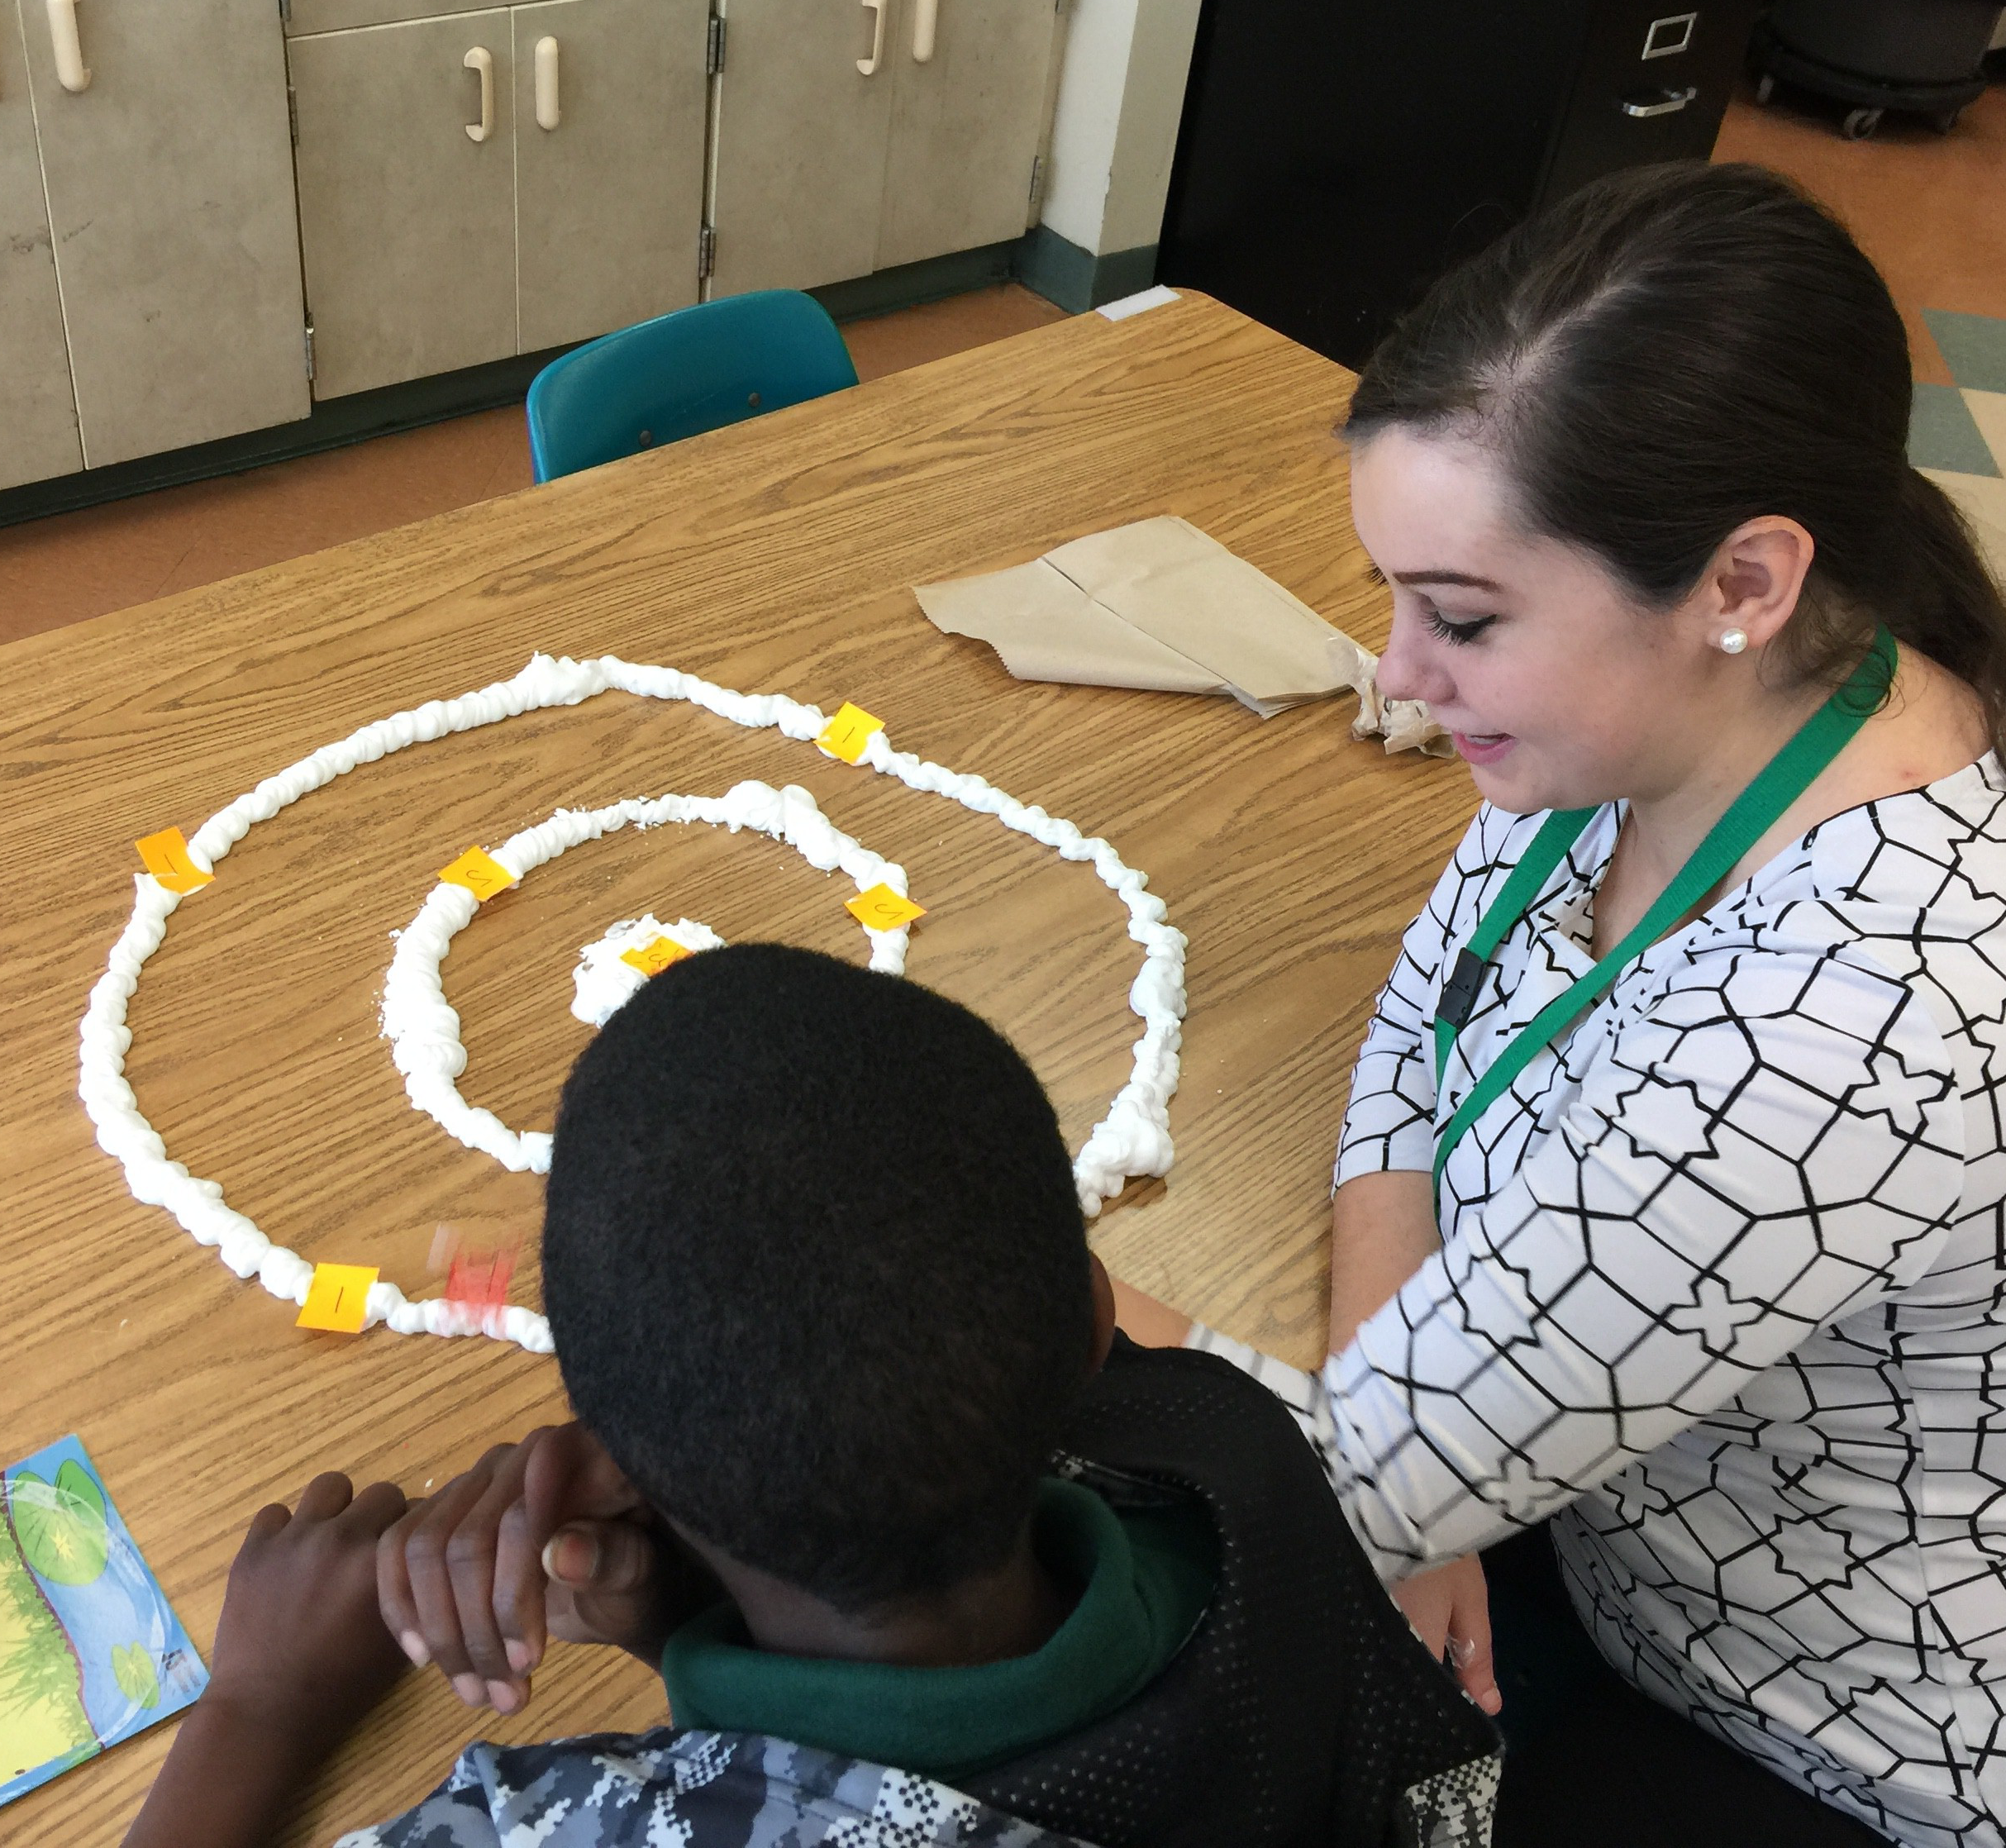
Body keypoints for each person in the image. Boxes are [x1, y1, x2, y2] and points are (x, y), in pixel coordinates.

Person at [1161, 161, 2006, 1847]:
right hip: (1571, 1501)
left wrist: (1406, 1464)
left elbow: (1289, 1494)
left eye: (1459, 615)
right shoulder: (1643, 726)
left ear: (1740, 582)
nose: (1396, 671)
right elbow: (1411, 1046)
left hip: (1802, 1726)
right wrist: (1427, 1456)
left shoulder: (1859, 1026)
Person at [123, 944, 1499, 1848]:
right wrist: (693, 1633)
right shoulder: (1230, 1447)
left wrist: (259, 1706)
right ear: (1094, 1320)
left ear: (616, 1454)